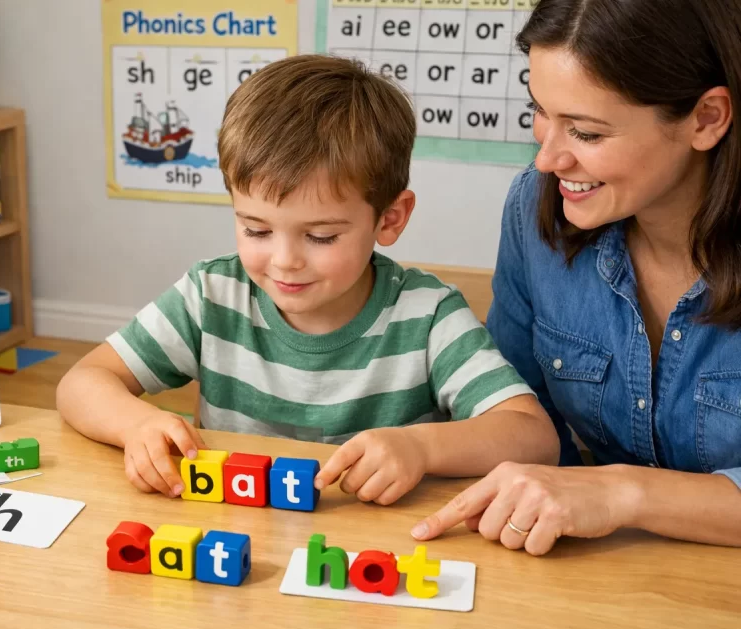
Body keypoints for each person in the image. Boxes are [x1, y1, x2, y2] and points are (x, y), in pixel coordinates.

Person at [57, 54, 559, 503]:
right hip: (237, 536)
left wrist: (419, 447)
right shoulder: (212, 295)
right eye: (255, 229)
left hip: (376, 554)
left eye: (320, 236)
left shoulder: (427, 316)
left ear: (389, 219)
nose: (284, 261)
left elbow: (532, 437)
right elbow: (81, 382)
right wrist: (137, 423)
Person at [413, 0, 741, 554]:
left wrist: (621, 492)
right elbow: (519, 415)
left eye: (585, 133)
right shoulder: (533, 209)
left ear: (706, 118)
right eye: (541, 111)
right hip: (594, 575)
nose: (547, 158)